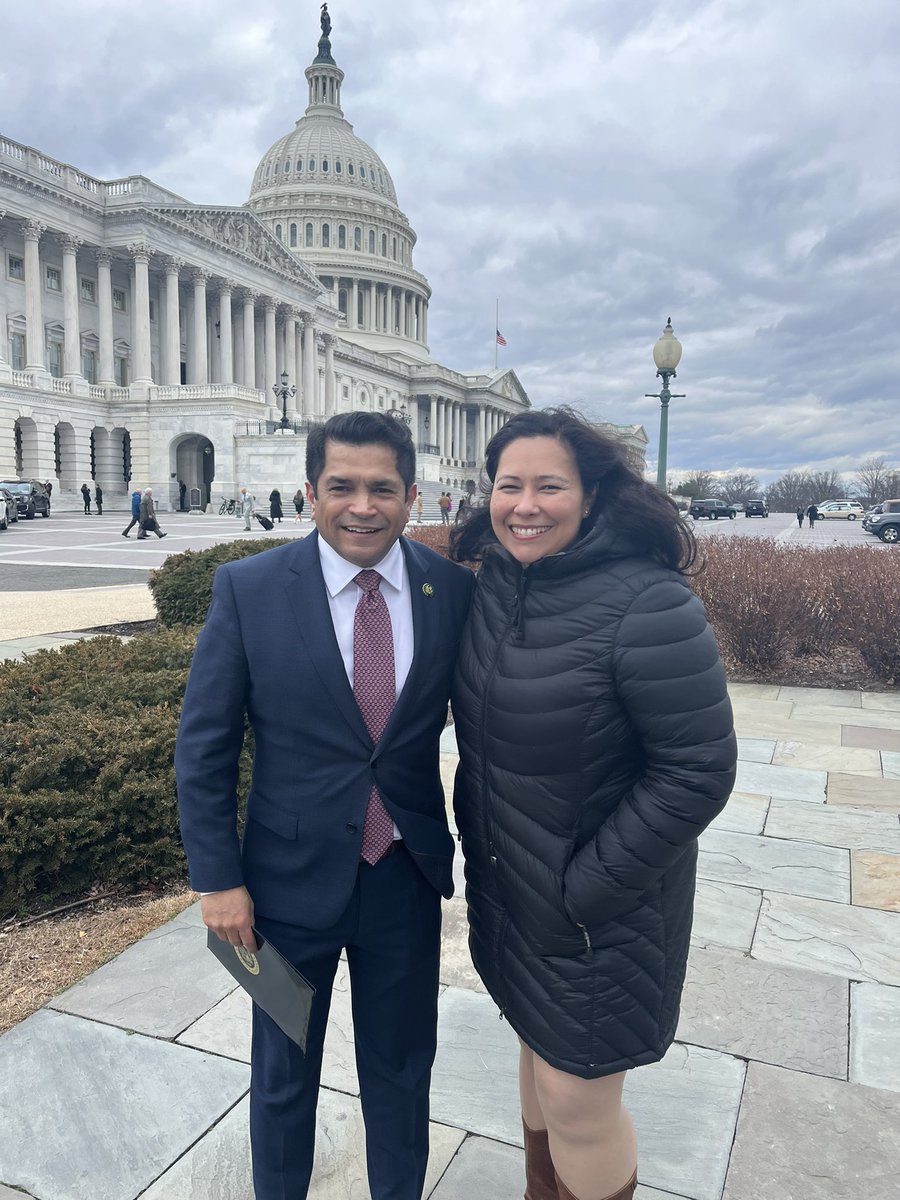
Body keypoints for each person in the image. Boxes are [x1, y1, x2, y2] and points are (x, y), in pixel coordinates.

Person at [176, 411, 474, 1199]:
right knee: (281, 1078)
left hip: (402, 882)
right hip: (277, 894)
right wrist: (217, 882)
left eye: (382, 488)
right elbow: (203, 748)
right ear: (310, 493)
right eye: (341, 486)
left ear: (413, 495)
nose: (362, 506)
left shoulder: (452, 593)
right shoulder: (249, 589)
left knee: (402, 1074)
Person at [449, 408, 736, 1200]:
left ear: (593, 493)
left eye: (550, 486)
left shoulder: (647, 602)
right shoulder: (500, 584)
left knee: (579, 1099)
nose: (525, 505)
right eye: (510, 485)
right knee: (537, 1057)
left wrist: (582, 893)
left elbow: (698, 770)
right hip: (512, 892)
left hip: (592, 912)